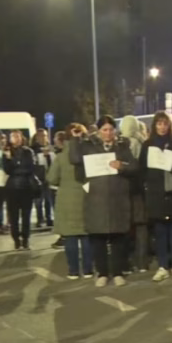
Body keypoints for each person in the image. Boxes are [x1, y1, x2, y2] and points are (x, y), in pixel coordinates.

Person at [68, 115, 138, 287]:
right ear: (98, 131)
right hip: (96, 197)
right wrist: (75, 139)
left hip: (118, 197)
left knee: (118, 237)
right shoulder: (88, 145)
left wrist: (122, 166)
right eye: (104, 130)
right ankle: (102, 272)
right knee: (98, 237)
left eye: (111, 129)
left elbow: (135, 167)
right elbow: (75, 160)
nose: (108, 133)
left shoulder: (122, 146)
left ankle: (118, 272)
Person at [140, 112, 172, 281]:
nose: (162, 127)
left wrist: (169, 158)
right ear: (154, 126)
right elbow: (142, 167)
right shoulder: (147, 144)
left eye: (165, 124)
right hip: (156, 192)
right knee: (160, 232)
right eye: (159, 124)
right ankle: (162, 266)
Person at [49, 123, 93, 279]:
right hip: (86, 197)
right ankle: (88, 269)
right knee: (86, 236)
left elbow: (51, 178)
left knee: (70, 237)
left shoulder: (61, 157)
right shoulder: (88, 154)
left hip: (66, 200)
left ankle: (73, 271)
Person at [120, 115, 148, 273]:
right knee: (141, 226)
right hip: (141, 188)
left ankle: (127, 261)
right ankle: (142, 261)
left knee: (126, 225)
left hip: (127, 188)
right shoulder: (143, 141)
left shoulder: (124, 143)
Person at [2, 130, 37, 250]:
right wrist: (9, 159)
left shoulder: (28, 151)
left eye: (17, 136)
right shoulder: (7, 152)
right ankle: (16, 240)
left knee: (26, 215)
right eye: (12, 137)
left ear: (22, 138)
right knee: (13, 216)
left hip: (26, 186)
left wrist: (16, 168)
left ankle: (26, 239)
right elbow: (7, 170)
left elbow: (31, 167)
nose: (15, 139)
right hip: (12, 188)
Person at [31, 130, 55, 227]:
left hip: (49, 176)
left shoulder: (51, 148)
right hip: (38, 178)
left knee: (49, 199)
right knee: (39, 200)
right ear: (36, 138)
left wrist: (48, 156)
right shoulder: (33, 149)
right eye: (40, 136)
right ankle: (40, 219)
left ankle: (49, 218)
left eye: (45, 136)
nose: (43, 138)